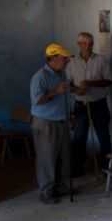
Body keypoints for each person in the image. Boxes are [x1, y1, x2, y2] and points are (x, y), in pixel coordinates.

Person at [30, 43, 84, 204]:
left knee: (63, 157)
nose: (67, 61)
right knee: (47, 158)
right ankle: (46, 191)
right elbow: (38, 100)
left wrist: (75, 90)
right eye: (63, 59)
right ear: (52, 58)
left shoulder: (61, 74)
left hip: (62, 121)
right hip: (45, 123)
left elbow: (66, 92)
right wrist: (55, 92)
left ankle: (60, 186)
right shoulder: (39, 77)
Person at [66, 32, 112, 175]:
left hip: (99, 103)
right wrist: (76, 90)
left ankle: (107, 167)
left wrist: (90, 83)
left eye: (91, 43)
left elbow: (109, 80)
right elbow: (68, 84)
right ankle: (77, 168)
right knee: (79, 137)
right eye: (85, 43)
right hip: (80, 105)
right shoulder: (71, 63)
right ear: (79, 44)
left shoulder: (101, 60)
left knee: (103, 136)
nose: (88, 46)